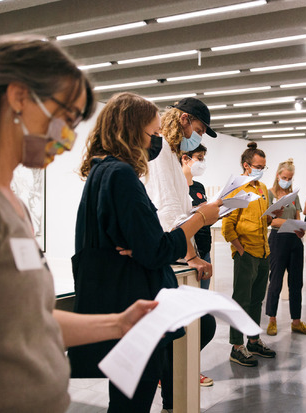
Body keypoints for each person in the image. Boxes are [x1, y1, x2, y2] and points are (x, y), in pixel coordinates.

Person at [0, 38, 163, 413]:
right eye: (66, 116)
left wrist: (118, 324)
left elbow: (29, 318)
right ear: (19, 97)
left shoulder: (12, 202)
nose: (69, 134)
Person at [74, 92, 221, 412]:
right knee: (134, 400)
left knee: (127, 398)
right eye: (152, 134)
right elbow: (156, 249)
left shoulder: (100, 171)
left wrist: (144, 239)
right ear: (130, 131)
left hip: (116, 296)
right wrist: (201, 218)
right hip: (132, 303)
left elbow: (137, 240)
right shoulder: (122, 175)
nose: (156, 141)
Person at [144, 100, 219, 401]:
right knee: (191, 327)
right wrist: (191, 255)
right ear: (184, 120)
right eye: (198, 130)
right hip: (167, 259)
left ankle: (172, 395)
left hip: (172, 257)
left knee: (194, 327)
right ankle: (171, 394)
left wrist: (206, 209)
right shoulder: (161, 152)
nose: (197, 137)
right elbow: (171, 217)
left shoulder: (173, 157)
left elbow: (181, 210)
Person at [222, 142, 282, 367]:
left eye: (264, 166)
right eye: (258, 166)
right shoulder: (237, 189)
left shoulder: (262, 189)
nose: (261, 169)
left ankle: (254, 340)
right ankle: (237, 346)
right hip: (246, 252)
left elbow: (261, 220)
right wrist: (239, 248)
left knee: (257, 299)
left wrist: (270, 216)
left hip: (263, 250)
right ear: (246, 166)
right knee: (241, 300)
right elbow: (229, 224)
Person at [265, 159, 306, 337]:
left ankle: (296, 321)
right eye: (285, 177)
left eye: (290, 178)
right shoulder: (269, 194)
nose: (287, 180)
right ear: (278, 176)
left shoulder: (294, 196)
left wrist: (300, 228)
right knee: (275, 281)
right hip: (278, 239)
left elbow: (298, 217)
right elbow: (271, 220)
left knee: (296, 283)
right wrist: (290, 223)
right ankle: (272, 319)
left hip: (294, 241)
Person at [180, 144, 212, 290]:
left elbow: (204, 219)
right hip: (187, 253)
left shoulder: (199, 187)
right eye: (199, 158)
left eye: (203, 159)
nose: (202, 163)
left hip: (204, 248)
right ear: (185, 159)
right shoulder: (177, 186)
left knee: (204, 294)